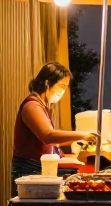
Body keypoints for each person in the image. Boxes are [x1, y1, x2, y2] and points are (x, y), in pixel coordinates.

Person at [12, 62, 98, 195]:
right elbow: (48, 136)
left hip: (43, 168)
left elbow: (54, 142)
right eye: (61, 86)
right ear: (47, 84)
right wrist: (82, 135)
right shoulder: (32, 106)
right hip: (28, 172)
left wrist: (80, 142)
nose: (63, 91)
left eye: (66, 87)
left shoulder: (45, 107)